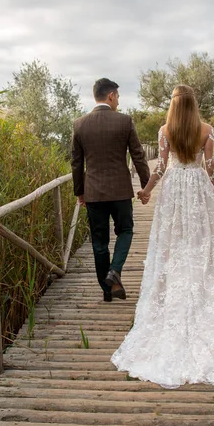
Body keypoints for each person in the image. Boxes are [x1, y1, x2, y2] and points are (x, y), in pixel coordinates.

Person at [111, 84, 214, 389]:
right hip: (198, 188)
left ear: (174, 106)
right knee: (201, 244)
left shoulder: (165, 130)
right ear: (194, 104)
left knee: (172, 245)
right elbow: (212, 167)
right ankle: (201, 290)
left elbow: (161, 167)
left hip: (174, 190)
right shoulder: (206, 129)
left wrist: (147, 191)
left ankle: (171, 292)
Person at [71, 78, 150, 302]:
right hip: (121, 191)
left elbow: (76, 162)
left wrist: (80, 192)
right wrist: (145, 185)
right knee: (125, 230)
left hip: (93, 192)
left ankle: (107, 291)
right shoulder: (124, 121)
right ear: (111, 96)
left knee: (99, 242)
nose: (118, 101)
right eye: (118, 97)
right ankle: (114, 271)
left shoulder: (79, 124)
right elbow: (138, 155)